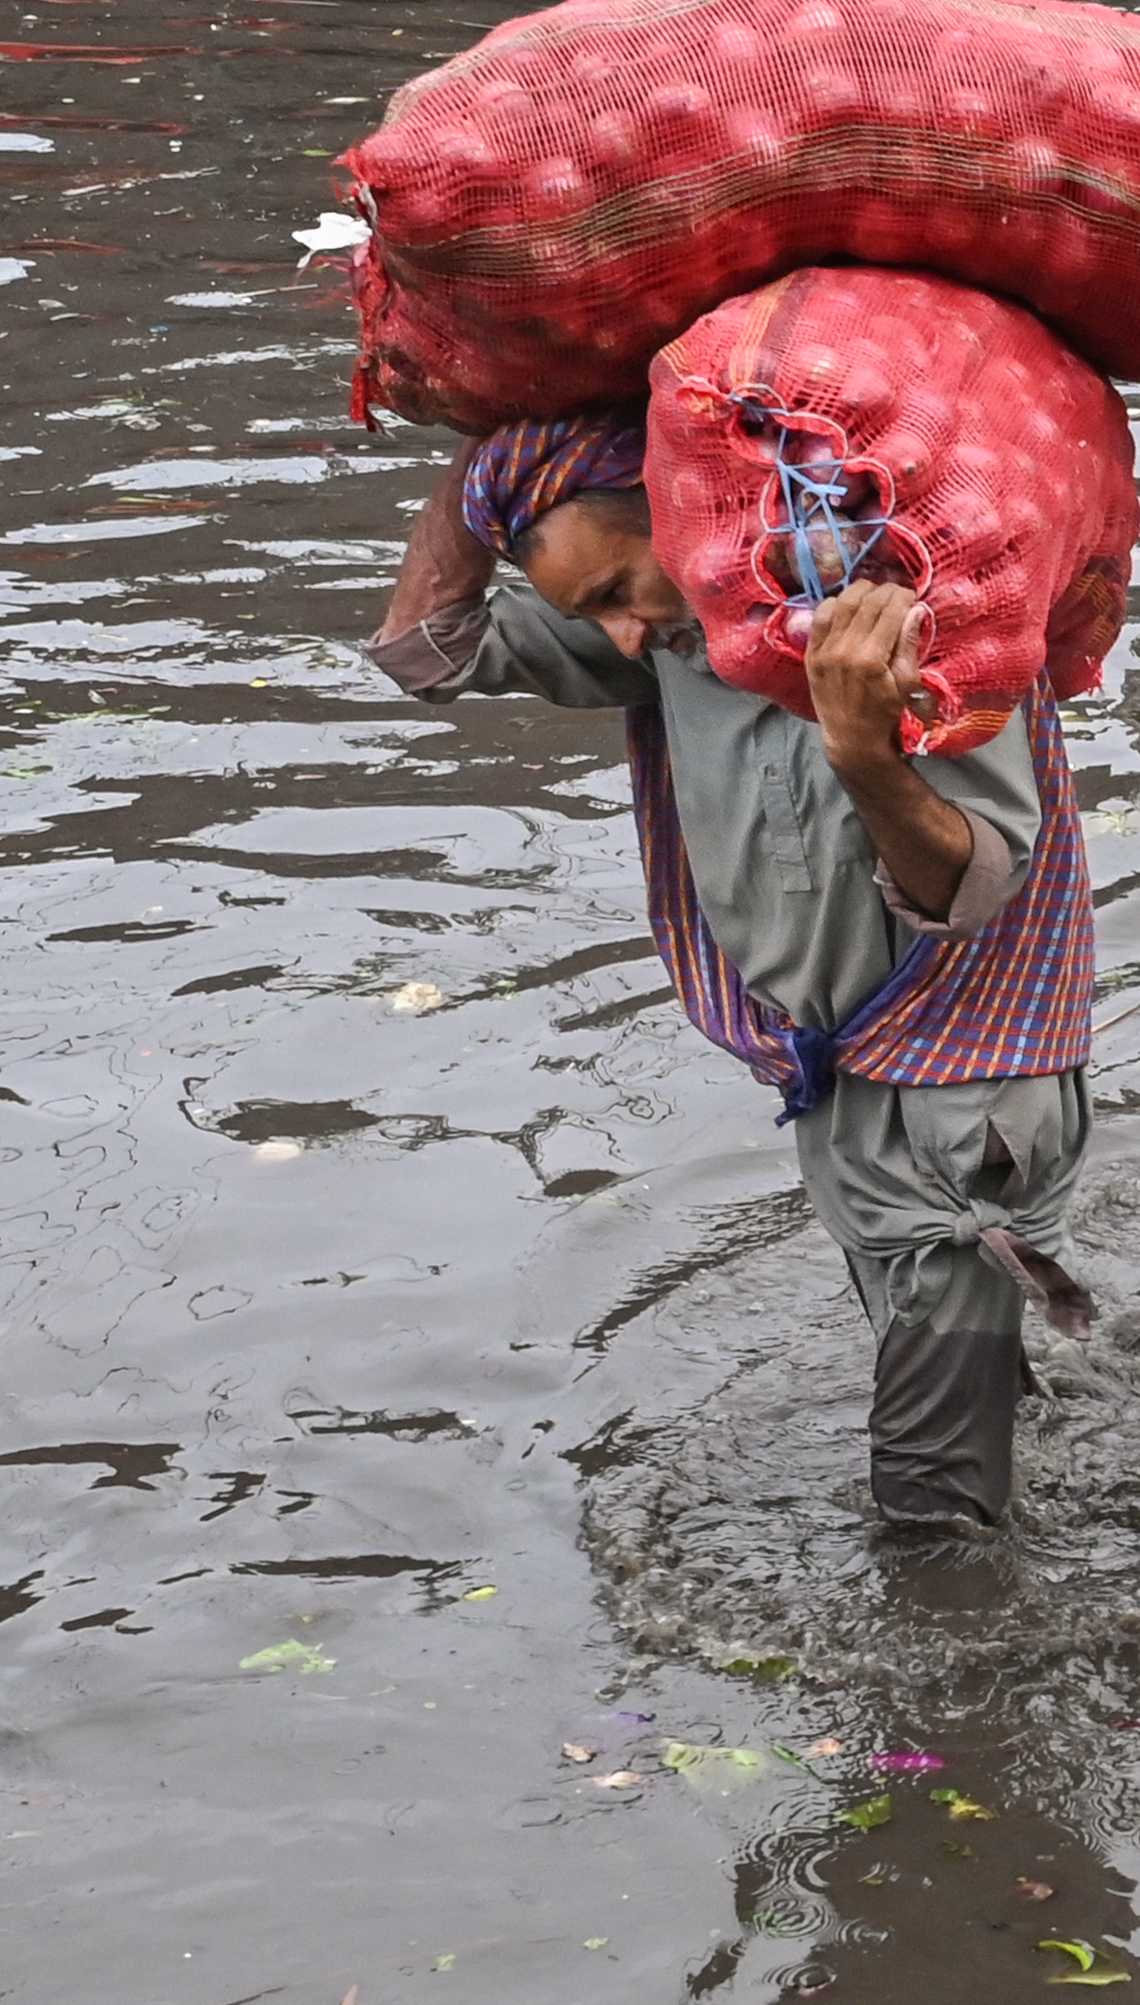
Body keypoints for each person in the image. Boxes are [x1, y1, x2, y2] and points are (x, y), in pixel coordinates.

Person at [368, 414, 1098, 1531]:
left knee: (930, 1512)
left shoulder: (904, 611)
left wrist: (862, 750)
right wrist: (483, 465)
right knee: (969, 1435)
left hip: (959, 1094)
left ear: (688, 510)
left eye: (617, 584)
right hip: (844, 1090)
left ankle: (972, 1686)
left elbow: (977, 888)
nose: (618, 635)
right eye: (589, 615)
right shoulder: (671, 637)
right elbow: (431, 646)